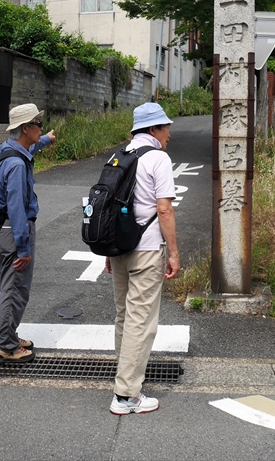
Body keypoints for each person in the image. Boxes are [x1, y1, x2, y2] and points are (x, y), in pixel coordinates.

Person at [105, 102, 181, 415]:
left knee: (124, 316)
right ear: (153, 130)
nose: (168, 135)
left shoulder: (119, 156)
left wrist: (108, 251)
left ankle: (126, 379)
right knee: (142, 321)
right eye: (165, 128)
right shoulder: (157, 158)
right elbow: (164, 208)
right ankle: (126, 395)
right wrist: (174, 252)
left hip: (119, 248)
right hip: (147, 250)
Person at [0, 103, 56, 364]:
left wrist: (46, 140)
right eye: (38, 124)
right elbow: (17, 207)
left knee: (9, 285)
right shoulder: (17, 165)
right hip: (15, 229)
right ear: (25, 128)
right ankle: (6, 346)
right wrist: (24, 247)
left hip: (4, 228)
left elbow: (30, 146)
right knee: (14, 289)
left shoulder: (8, 150)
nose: (41, 128)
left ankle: (7, 335)